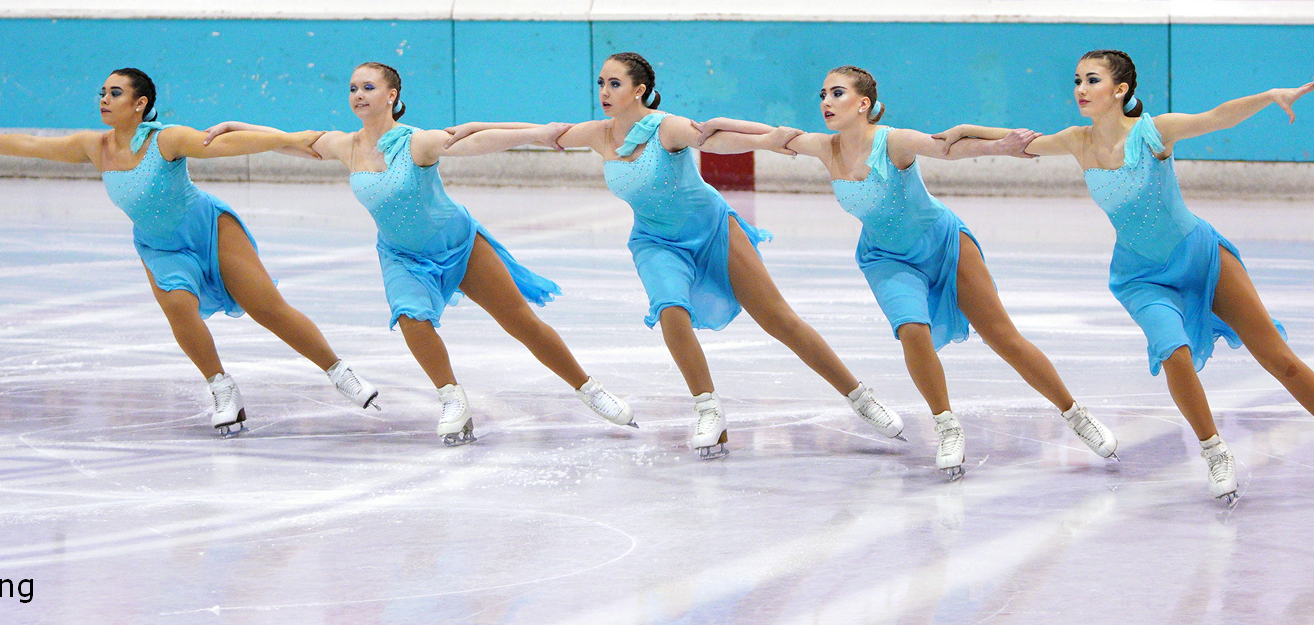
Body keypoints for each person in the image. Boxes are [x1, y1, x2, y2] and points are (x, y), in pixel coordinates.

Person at [934, 52, 1314, 503]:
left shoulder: (1153, 132)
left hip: (1200, 257)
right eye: (1077, 81)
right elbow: (1019, 140)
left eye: (1092, 80)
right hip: (1141, 277)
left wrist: (1270, 96)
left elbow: (1218, 117)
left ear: (1120, 90)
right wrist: (966, 131)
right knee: (1173, 352)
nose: (1081, 88)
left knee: (1278, 358)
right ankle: (1215, 452)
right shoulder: (1077, 141)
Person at [443, 54, 907, 456]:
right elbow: (534, 134)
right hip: (655, 241)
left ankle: (859, 396)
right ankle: (708, 409)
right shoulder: (599, 134)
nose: (604, 92)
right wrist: (473, 128)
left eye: (614, 83)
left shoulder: (666, 128)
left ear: (639, 90)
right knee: (670, 310)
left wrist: (769, 140)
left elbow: (712, 137)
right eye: (601, 83)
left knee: (778, 319)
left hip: (711, 230)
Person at [695, 68, 1119, 478]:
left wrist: (1001, 146)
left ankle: (1075, 414)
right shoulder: (825, 147)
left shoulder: (893, 141)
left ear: (864, 104)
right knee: (912, 329)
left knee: (1002, 337)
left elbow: (946, 149)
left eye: (837, 93)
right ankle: (947, 427)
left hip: (943, 245)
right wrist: (714, 126)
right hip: (886, 258)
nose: (826, 101)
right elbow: (771, 135)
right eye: (823, 94)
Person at [0, 69, 381, 434]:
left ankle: (338, 371)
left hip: (208, 229)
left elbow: (223, 144)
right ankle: (222, 388)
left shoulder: (165, 138)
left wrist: (289, 138)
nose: (104, 100)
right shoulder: (94, 146)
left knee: (267, 308)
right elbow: (31, 145)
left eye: (115, 93)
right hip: (159, 245)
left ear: (139, 104)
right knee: (179, 306)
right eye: (102, 93)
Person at [202, 65, 639, 443]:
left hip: (457, 244)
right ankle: (452, 398)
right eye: (353, 88)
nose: (358, 95)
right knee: (411, 317)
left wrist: (540, 135)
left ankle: (589, 388)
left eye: (369, 87)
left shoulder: (415, 142)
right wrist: (236, 127)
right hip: (402, 256)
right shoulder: (344, 145)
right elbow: (287, 141)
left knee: (520, 322)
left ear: (392, 95)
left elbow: (476, 143)